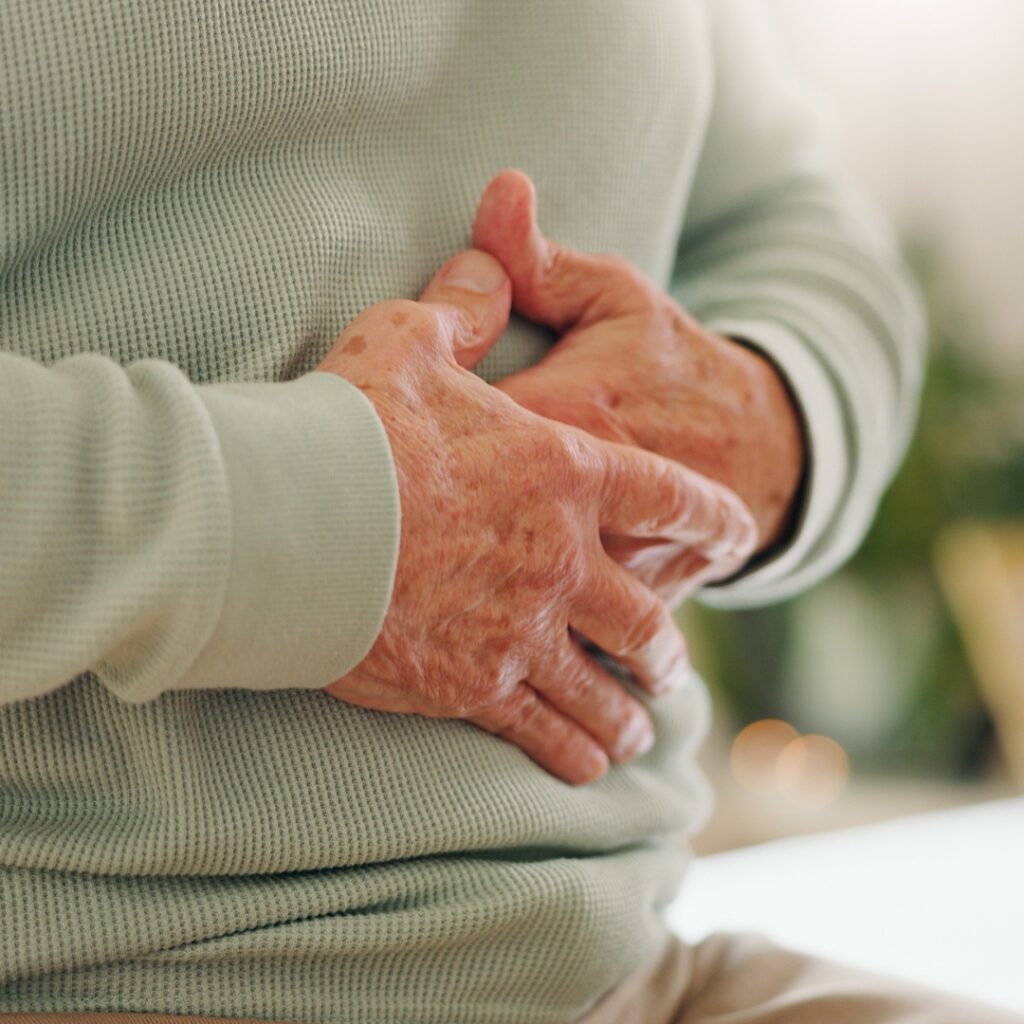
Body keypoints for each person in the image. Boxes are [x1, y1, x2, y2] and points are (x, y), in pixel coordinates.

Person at [1, 1, 1016, 1022]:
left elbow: (792, 221)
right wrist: (326, 523)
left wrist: (763, 412)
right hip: (85, 971)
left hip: (637, 974)